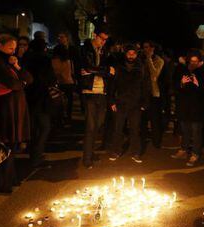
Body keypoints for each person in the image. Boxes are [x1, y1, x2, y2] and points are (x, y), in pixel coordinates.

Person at [0, 34, 33, 193]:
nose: (13, 51)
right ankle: (3, 183)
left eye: (14, 48)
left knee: (12, 145)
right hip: (6, 109)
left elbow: (28, 78)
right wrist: (22, 83)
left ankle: (9, 179)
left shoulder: (10, 62)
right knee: (7, 145)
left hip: (15, 107)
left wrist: (18, 67)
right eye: (10, 48)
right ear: (0, 45)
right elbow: (13, 83)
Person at [78, 25, 114, 168]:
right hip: (89, 92)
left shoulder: (104, 51)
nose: (103, 42)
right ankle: (87, 159)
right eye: (102, 39)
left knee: (98, 125)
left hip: (102, 92)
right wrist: (104, 70)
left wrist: (96, 70)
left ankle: (91, 153)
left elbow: (110, 71)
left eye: (106, 40)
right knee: (91, 126)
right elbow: (87, 67)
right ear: (95, 35)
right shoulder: (86, 49)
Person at [171, 49, 204, 166]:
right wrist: (181, 83)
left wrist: (198, 84)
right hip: (184, 106)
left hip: (198, 108)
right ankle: (183, 150)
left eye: (196, 61)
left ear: (200, 61)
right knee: (184, 130)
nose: (193, 63)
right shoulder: (182, 70)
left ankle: (195, 153)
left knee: (196, 132)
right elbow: (174, 87)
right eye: (191, 61)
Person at [108, 44, 149, 163]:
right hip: (121, 102)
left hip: (136, 103)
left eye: (133, 53)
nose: (131, 56)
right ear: (125, 54)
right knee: (118, 128)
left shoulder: (141, 67)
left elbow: (146, 86)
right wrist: (111, 101)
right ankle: (116, 151)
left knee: (135, 129)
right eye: (129, 53)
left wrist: (145, 103)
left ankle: (135, 152)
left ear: (136, 54)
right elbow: (112, 85)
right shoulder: (118, 66)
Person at [24, 38, 56, 167]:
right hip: (41, 97)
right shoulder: (45, 59)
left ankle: (33, 153)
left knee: (34, 127)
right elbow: (51, 78)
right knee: (44, 127)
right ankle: (36, 156)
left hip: (28, 96)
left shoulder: (26, 58)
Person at [141, 40, 165, 149]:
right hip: (142, 93)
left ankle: (156, 142)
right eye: (144, 47)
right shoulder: (141, 59)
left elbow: (154, 75)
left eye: (148, 47)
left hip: (154, 93)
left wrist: (149, 59)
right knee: (142, 119)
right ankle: (142, 141)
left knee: (155, 119)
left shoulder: (158, 60)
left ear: (152, 48)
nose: (146, 49)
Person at [52, 33, 79, 124]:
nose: (60, 38)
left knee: (65, 100)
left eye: (62, 37)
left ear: (67, 38)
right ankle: (66, 116)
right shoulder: (59, 52)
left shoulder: (71, 50)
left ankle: (64, 116)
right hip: (67, 79)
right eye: (59, 37)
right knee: (67, 99)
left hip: (64, 79)